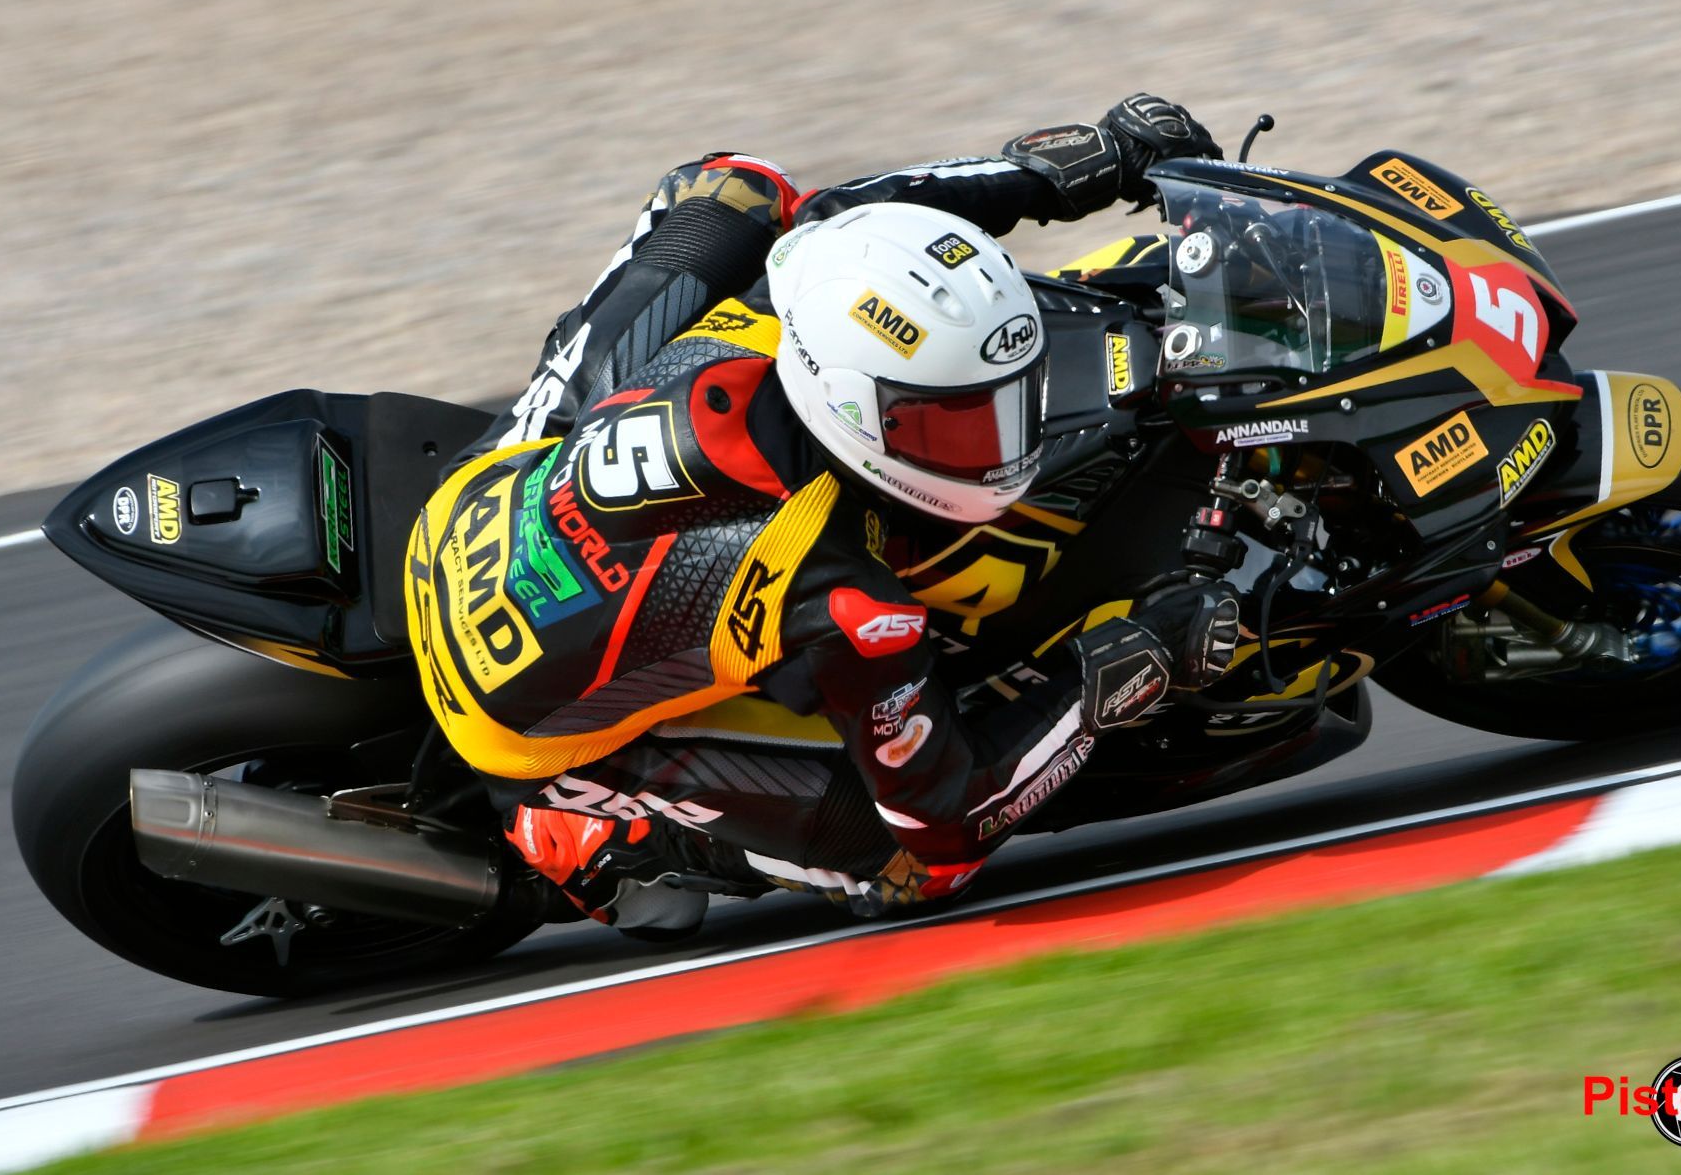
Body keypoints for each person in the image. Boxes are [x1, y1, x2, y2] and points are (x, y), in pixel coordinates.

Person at [405, 95, 1239, 933]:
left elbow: (853, 220)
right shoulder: (837, 584)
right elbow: (951, 814)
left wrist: (1045, 177)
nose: (998, 442)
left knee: (737, 193)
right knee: (917, 871)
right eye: (952, 420)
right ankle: (601, 839)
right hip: (510, 724)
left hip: (476, 496)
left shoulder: (784, 304)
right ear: (853, 408)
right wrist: (1128, 665)